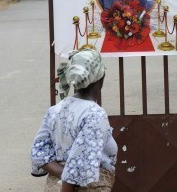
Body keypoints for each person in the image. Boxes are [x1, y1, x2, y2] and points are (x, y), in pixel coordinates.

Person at [31, 49, 117, 191]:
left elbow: (39, 152)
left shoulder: (55, 110)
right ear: (101, 76)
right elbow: (78, 161)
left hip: (56, 186)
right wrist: (67, 181)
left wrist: (62, 174)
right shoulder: (94, 114)